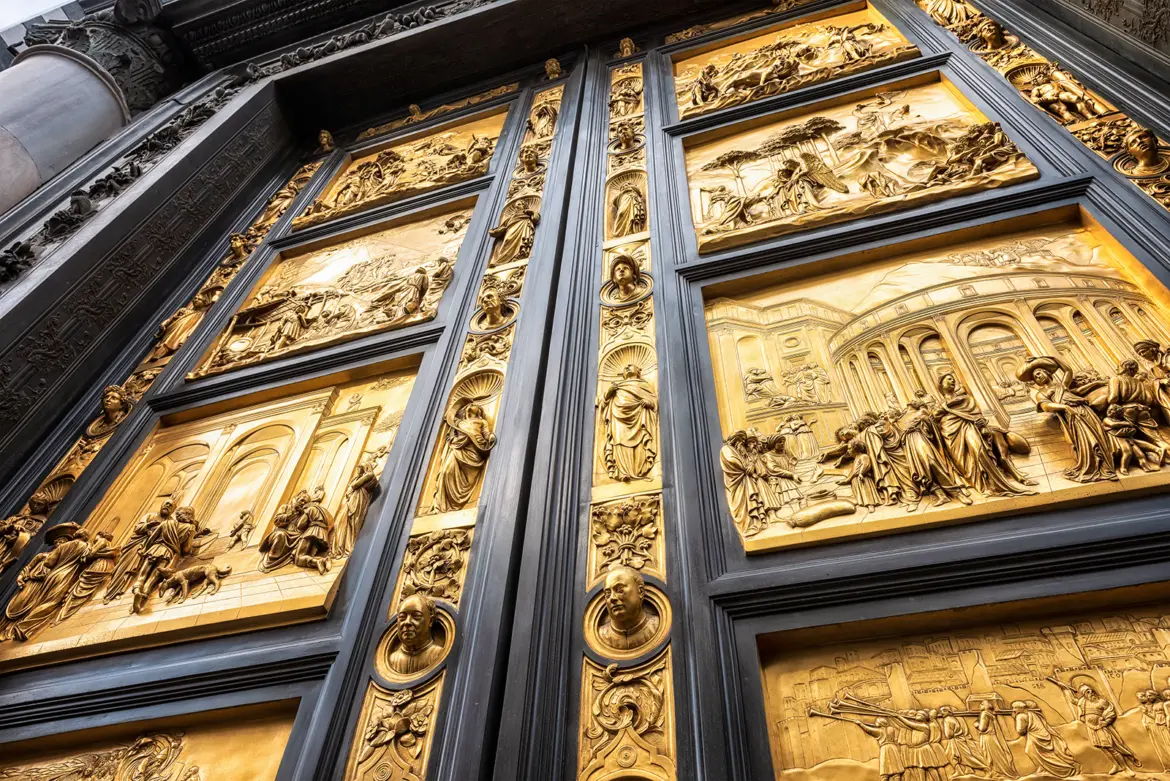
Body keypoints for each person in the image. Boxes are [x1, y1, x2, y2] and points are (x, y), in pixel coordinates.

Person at [1018, 356, 1117, 483]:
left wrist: (1053, 358)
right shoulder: (1041, 393)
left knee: (1099, 435)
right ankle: (1095, 466)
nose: (1038, 377)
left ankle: (1108, 468)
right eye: (1035, 377)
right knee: (1087, 439)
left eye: (1039, 373)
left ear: (1047, 372)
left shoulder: (1062, 385)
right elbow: (1046, 406)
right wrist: (1064, 407)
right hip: (1071, 415)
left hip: (1084, 410)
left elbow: (1068, 370)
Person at [935, 372, 1036, 495]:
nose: (953, 381)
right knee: (963, 461)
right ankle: (981, 484)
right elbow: (935, 416)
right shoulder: (939, 404)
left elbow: (976, 415)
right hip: (950, 433)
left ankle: (995, 484)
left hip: (969, 426)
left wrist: (982, 423)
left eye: (953, 379)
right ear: (941, 385)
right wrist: (946, 406)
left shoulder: (966, 399)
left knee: (979, 450)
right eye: (949, 379)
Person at [432, 403, 496, 513]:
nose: (472, 405)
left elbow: (486, 434)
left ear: (479, 411)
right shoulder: (460, 422)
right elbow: (449, 417)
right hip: (459, 447)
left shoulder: (482, 422)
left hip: (474, 449)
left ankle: (459, 503)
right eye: (469, 406)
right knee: (446, 471)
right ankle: (442, 505)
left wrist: (490, 437)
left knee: (468, 478)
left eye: (475, 406)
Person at [104, 500, 173, 601]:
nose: (167, 505)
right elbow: (137, 528)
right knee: (124, 567)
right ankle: (111, 592)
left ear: (173, 510)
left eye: (171, 505)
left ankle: (120, 590)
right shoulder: (150, 516)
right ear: (162, 504)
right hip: (137, 545)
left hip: (152, 550)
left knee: (135, 570)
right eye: (166, 503)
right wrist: (148, 526)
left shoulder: (171, 522)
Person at [600, 365, 658, 482]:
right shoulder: (617, 386)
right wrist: (609, 392)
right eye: (625, 367)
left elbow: (654, 401)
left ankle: (637, 471)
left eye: (630, 366)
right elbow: (602, 404)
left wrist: (649, 403)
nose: (626, 367)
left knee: (639, 441)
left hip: (638, 418)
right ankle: (622, 472)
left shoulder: (643, 385)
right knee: (619, 441)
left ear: (638, 372)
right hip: (618, 418)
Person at [1069, 683, 1142, 775]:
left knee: (1111, 747)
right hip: (1091, 728)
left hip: (1101, 727)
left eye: (1091, 690)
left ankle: (1126, 768)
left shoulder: (1102, 701)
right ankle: (1116, 765)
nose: (1091, 693)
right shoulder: (1082, 702)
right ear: (1084, 694)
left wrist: (1105, 722)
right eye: (1087, 692)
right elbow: (1072, 700)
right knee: (1103, 748)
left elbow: (1111, 712)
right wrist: (1065, 689)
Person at [597, 565, 660, 651]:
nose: (612, 598)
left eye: (619, 590)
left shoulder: (656, 626)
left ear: (640, 591)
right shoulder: (601, 634)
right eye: (608, 594)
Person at [1012, 700, 1079, 778]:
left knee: (1031, 751)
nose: (1013, 710)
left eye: (1014, 708)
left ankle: (1059, 769)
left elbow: (1021, 731)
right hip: (1042, 735)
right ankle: (1042, 768)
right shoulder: (1033, 714)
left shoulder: (1020, 716)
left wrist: (1015, 718)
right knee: (1039, 753)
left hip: (1036, 737)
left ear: (1020, 708)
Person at [330, 457, 379, 559]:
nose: (358, 470)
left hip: (358, 500)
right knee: (343, 522)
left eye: (359, 468)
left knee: (353, 520)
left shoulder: (369, 475)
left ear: (364, 468)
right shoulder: (362, 476)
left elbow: (355, 485)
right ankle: (341, 545)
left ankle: (349, 544)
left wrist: (352, 485)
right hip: (354, 498)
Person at [387, 594, 447, 675]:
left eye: (416, 616)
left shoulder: (438, 654)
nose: (407, 622)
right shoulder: (391, 660)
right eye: (402, 617)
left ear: (431, 621)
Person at [973, 701, 1018, 778]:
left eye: (982, 704)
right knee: (995, 755)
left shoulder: (984, 714)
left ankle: (996, 773)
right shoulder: (991, 714)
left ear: (986, 706)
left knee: (991, 756)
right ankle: (996, 773)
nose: (979, 705)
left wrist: (976, 724)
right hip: (992, 737)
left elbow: (982, 728)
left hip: (987, 738)